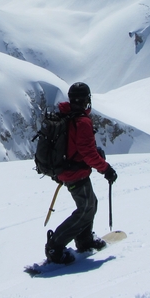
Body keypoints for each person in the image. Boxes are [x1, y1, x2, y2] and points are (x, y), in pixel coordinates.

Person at [45, 82, 119, 264]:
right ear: (86, 99)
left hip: (67, 169)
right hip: (74, 172)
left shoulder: (66, 116)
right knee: (86, 209)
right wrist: (106, 169)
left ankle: (85, 240)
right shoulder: (82, 121)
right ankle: (56, 245)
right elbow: (87, 152)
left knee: (90, 203)